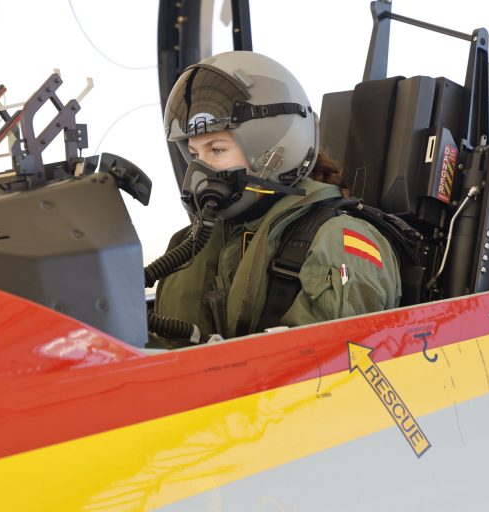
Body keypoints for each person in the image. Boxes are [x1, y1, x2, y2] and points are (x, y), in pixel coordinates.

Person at [147, 51, 400, 348]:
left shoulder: (339, 244)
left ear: (273, 151)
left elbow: (332, 367)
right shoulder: (193, 242)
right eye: (194, 154)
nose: (200, 169)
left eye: (217, 150)